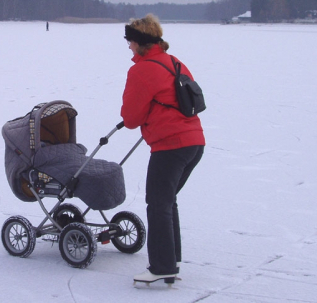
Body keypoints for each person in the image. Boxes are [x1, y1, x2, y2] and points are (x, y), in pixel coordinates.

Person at [121, 14, 205, 286]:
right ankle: (171, 262)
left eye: (130, 41)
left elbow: (131, 118)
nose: (128, 46)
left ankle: (161, 267)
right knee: (166, 202)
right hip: (194, 142)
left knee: (158, 204)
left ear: (141, 43)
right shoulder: (174, 62)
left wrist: (145, 115)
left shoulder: (142, 70)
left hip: (171, 146)